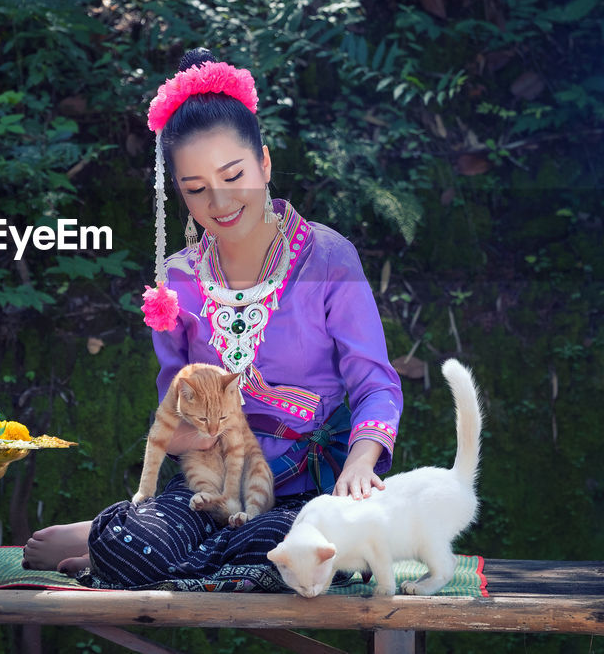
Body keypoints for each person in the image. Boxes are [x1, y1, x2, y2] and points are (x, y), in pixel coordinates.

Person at [24, 49, 402, 587]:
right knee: (144, 549)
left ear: (265, 163)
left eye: (234, 176)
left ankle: (112, 544)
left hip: (311, 488)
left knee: (294, 550)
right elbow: (174, 406)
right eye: (196, 189)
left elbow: (375, 383)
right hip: (212, 486)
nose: (220, 201)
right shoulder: (177, 281)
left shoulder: (327, 257)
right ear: (178, 192)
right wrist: (182, 436)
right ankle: (129, 539)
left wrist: (361, 463)